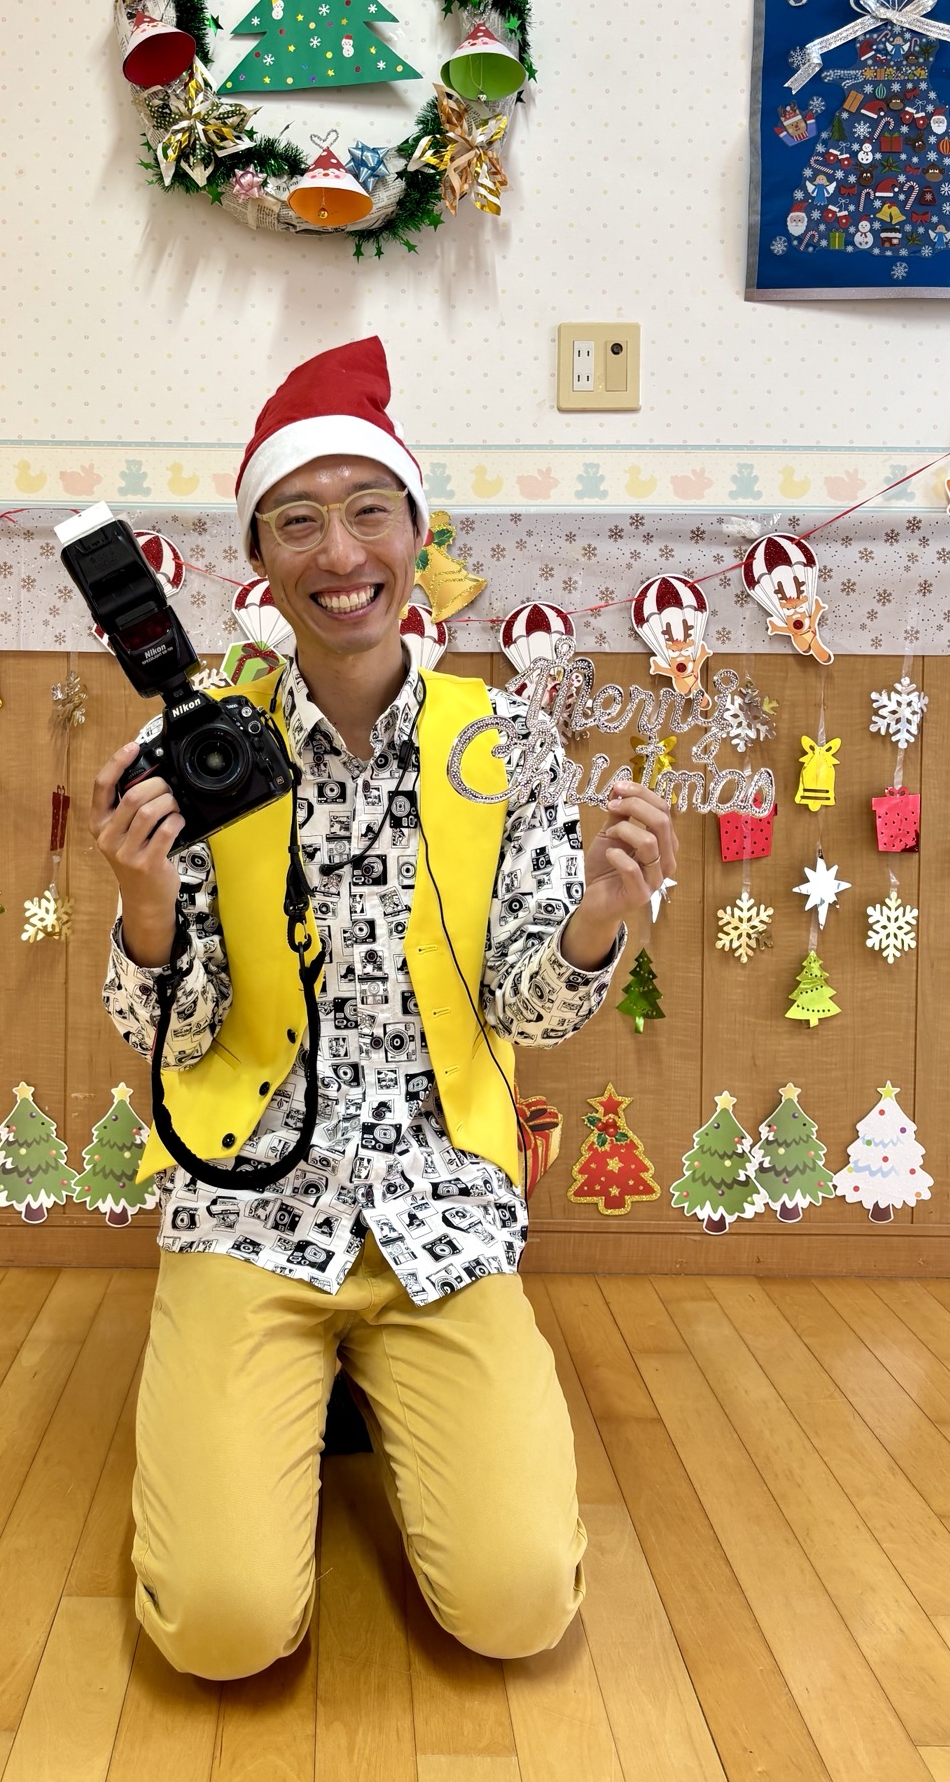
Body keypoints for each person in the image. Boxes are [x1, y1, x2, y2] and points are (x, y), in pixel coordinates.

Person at [91, 337, 677, 1681]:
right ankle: (286, 1392)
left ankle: (360, 1388)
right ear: (260, 557)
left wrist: (597, 913)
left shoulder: (505, 744)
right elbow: (168, 1035)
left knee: (520, 1608)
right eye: (298, 521)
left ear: (419, 537)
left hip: (441, 1206)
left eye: (369, 511)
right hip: (248, 1201)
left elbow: (529, 1006)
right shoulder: (203, 747)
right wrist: (145, 908)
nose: (340, 551)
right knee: (221, 1632)